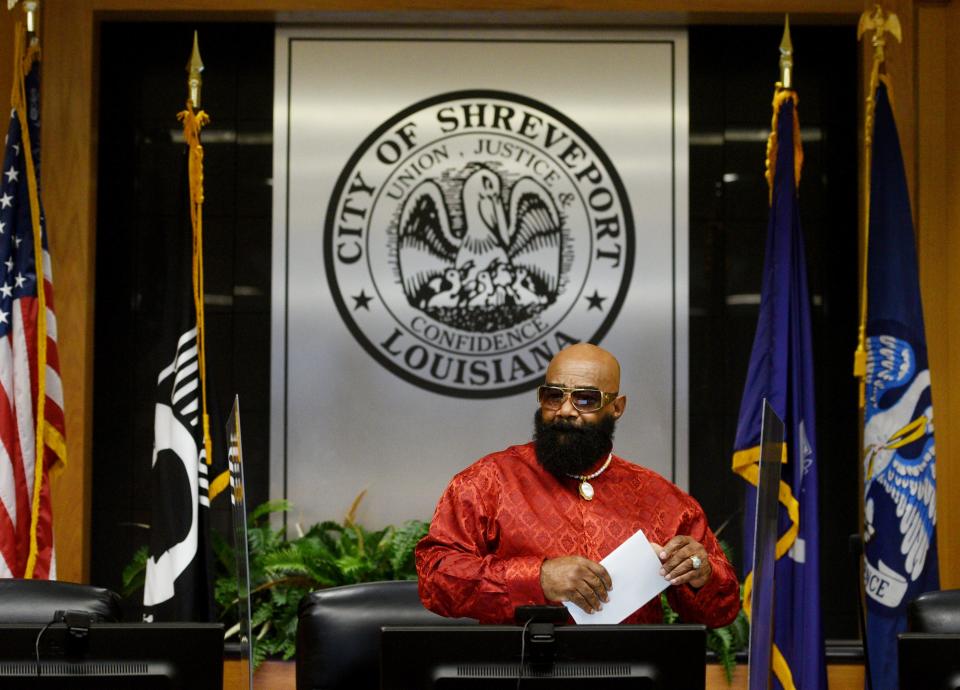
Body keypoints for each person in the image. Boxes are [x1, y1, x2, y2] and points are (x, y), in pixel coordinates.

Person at [415, 343, 741, 627]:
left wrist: (702, 575)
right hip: (517, 674)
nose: (566, 411)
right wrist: (536, 579)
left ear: (617, 408)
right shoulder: (487, 483)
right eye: (554, 396)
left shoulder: (663, 501)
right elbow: (436, 578)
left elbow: (719, 613)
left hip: (626, 674)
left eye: (586, 400)